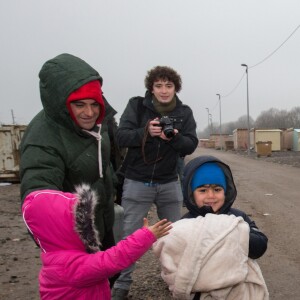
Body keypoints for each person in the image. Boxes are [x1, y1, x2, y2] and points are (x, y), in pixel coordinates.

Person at [20, 53, 119, 264]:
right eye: (80, 104)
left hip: (103, 222)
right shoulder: (43, 140)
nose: (89, 112)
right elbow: (38, 199)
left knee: (109, 275)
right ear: (63, 104)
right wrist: (61, 248)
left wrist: (114, 188)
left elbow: (105, 163)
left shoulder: (100, 124)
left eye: (94, 103)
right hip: (73, 238)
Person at [112, 66, 198, 298]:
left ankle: (175, 278)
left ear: (175, 88)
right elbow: (121, 136)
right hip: (137, 181)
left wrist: (175, 137)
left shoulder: (185, 112)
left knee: (174, 234)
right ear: (151, 87)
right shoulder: (137, 106)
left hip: (169, 182)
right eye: (158, 86)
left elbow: (190, 144)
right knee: (129, 235)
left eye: (168, 86)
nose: (163, 91)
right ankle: (122, 283)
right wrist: (146, 131)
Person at [22, 184, 172, 299]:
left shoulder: (56, 254)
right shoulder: (68, 265)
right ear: (64, 230)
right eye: (82, 222)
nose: (89, 225)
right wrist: (146, 236)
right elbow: (114, 259)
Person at [153, 155, 269, 299]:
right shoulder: (186, 223)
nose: (211, 196)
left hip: (237, 289)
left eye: (217, 189)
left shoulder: (238, 219)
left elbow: (260, 246)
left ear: (226, 192)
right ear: (190, 194)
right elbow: (173, 259)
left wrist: (230, 231)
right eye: (202, 190)